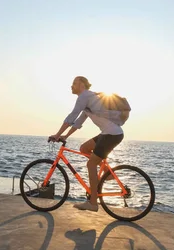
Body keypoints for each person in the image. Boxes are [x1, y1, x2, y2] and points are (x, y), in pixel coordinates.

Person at [49, 76, 126, 212]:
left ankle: (93, 203)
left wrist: (56, 134)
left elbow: (72, 116)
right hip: (108, 133)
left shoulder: (84, 96)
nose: (71, 86)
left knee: (91, 164)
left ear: (82, 85)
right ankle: (107, 173)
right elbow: (78, 122)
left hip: (111, 134)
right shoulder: (88, 100)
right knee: (84, 148)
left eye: (74, 83)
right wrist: (65, 135)